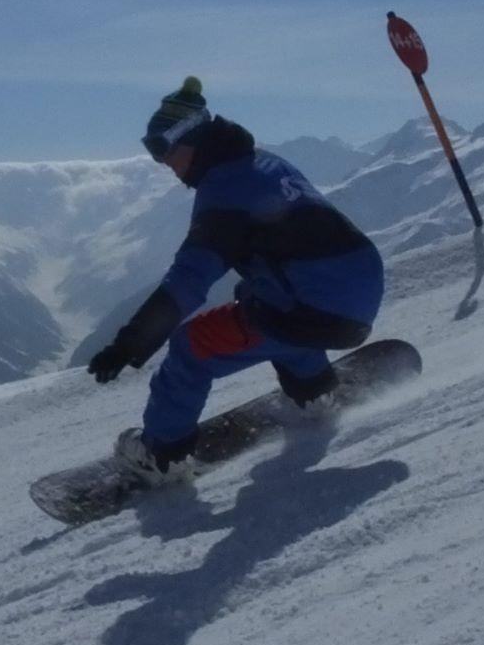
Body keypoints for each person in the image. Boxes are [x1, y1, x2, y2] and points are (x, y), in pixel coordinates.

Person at [86, 76, 385, 483]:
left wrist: (128, 344)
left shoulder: (223, 195)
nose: (163, 163)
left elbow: (188, 282)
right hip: (358, 289)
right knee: (266, 308)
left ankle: (162, 456)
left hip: (313, 305)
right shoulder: (265, 163)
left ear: (190, 139)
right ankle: (314, 393)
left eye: (163, 149)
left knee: (191, 347)